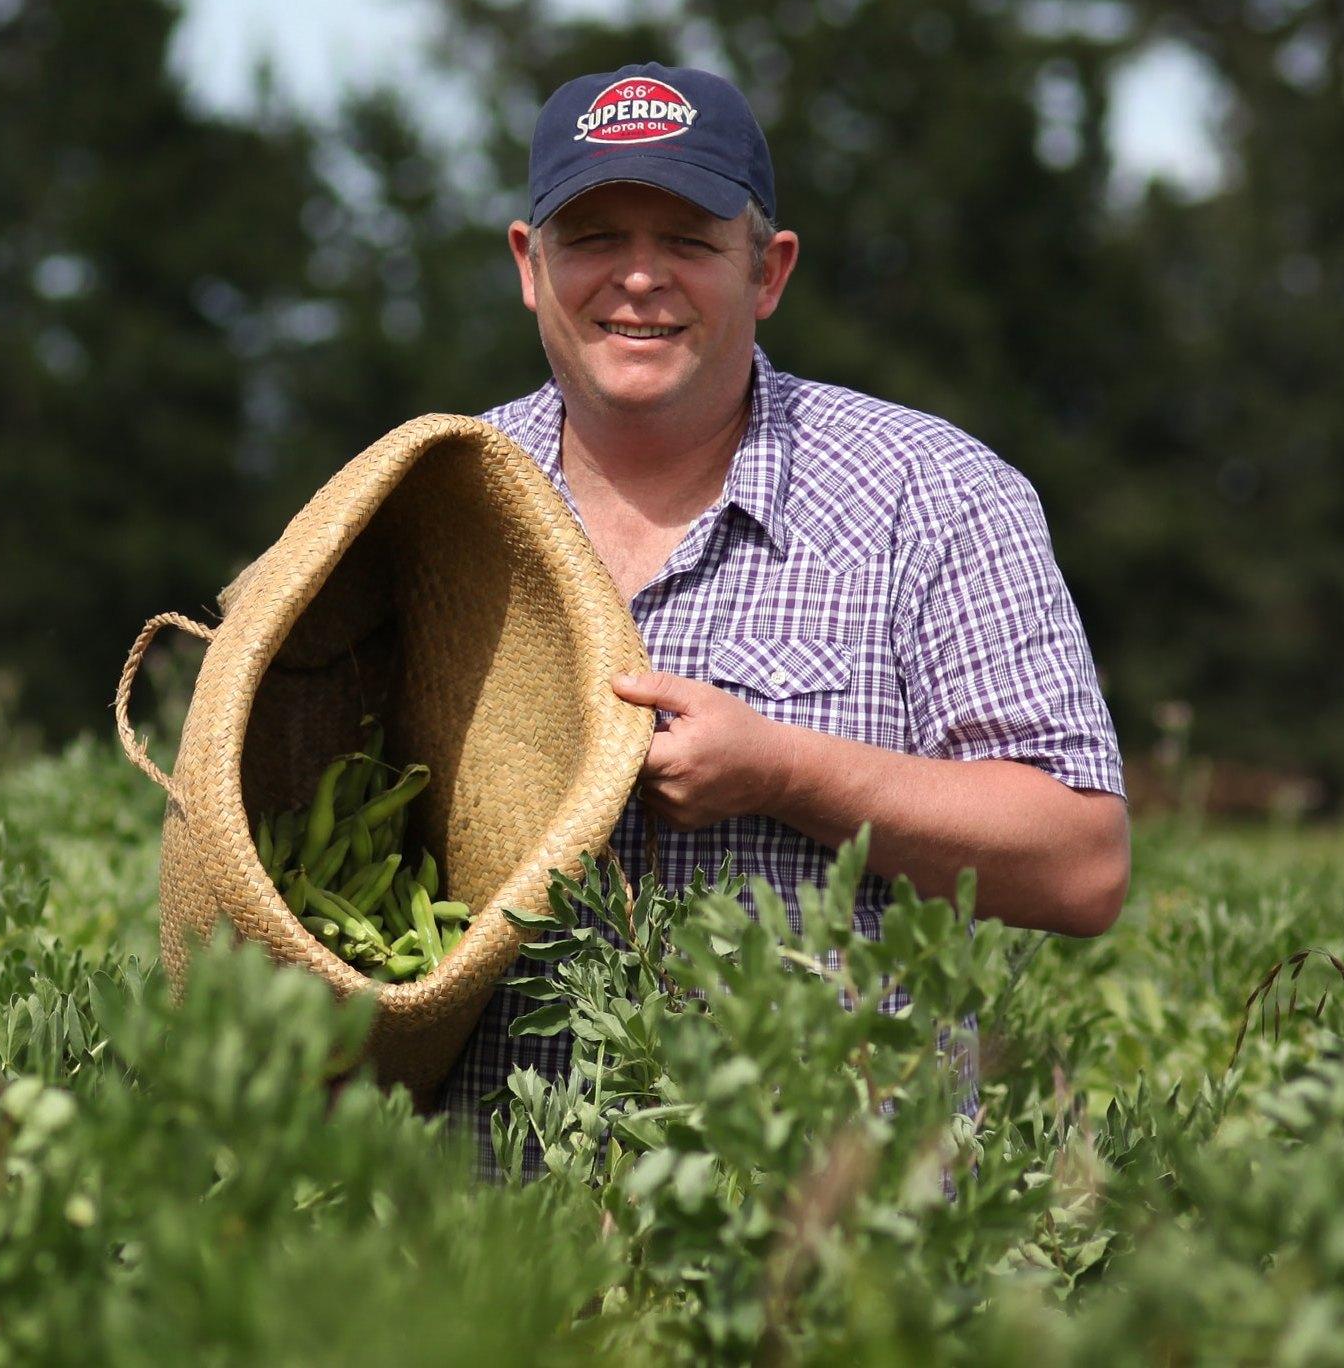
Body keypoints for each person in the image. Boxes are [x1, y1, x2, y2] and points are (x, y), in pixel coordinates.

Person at [437, 62, 1130, 1168]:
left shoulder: (932, 494)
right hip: (486, 1233)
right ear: (529, 264)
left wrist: (783, 771)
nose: (637, 277)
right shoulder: (432, 499)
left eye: (688, 241)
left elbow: (1080, 862)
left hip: (827, 1226)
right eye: (594, 237)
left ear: (767, 271)